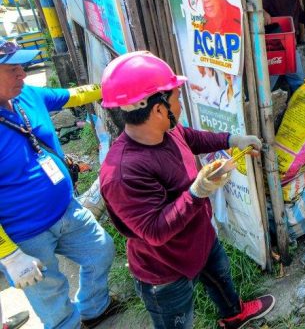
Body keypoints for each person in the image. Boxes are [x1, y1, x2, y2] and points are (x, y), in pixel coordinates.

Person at [98, 52, 274, 329]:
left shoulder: (167, 130)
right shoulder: (122, 173)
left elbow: (191, 138)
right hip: (165, 271)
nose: (180, 105)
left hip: (199, 238)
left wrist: (232, 139)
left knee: (221, 277)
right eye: (177, 98)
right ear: (158, 109)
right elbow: (155, 230)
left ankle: (233, 315)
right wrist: (197, 192)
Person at [0, 37, 117, 329]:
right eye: (12, 69)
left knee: (100, 250)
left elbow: (73, 95)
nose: (22, 74)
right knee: (52, 299)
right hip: (24, 235)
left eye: (21, 67)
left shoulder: (27, 95)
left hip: (67, 209)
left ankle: (93, 310)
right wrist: (9, 256)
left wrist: (116, 81)